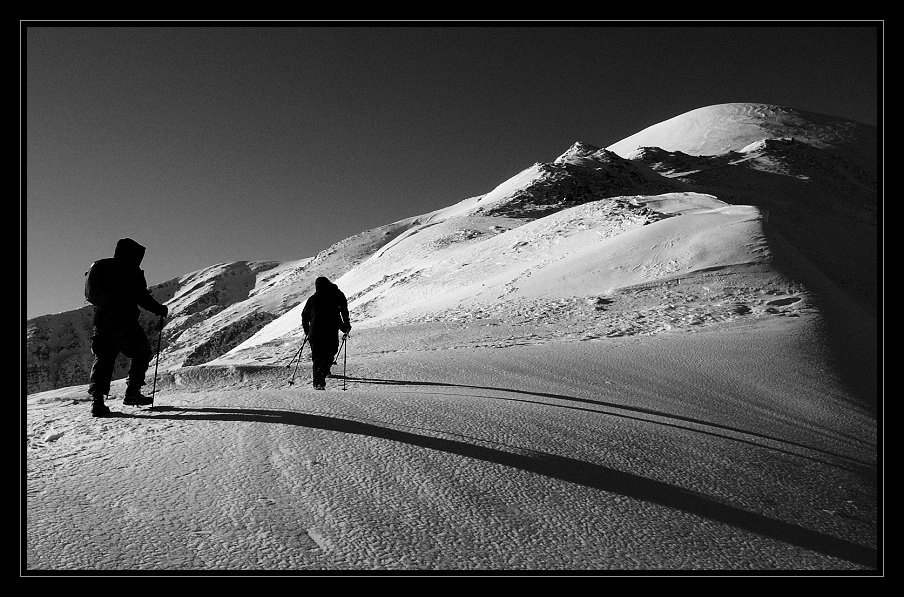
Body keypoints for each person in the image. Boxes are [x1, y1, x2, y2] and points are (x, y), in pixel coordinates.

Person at [86, 238, 169, 416]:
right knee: (142, 352)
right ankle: (132, 393)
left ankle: (97, 402)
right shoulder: (132, 272)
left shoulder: (102, 267)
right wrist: (159, 309)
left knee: (104, 361)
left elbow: (92, 295)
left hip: (102, 323)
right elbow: (142, 297)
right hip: (126, 323)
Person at [301, 277, 351, 390]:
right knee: (330, 352)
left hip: (314, 332)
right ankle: (322, 374)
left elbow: (304, 315)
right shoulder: (336, 295)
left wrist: (307, 331)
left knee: (317, 356)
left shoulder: (313, 299)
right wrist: (346, 326)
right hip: (330, 330)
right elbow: (343, 312)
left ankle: (318, 380)